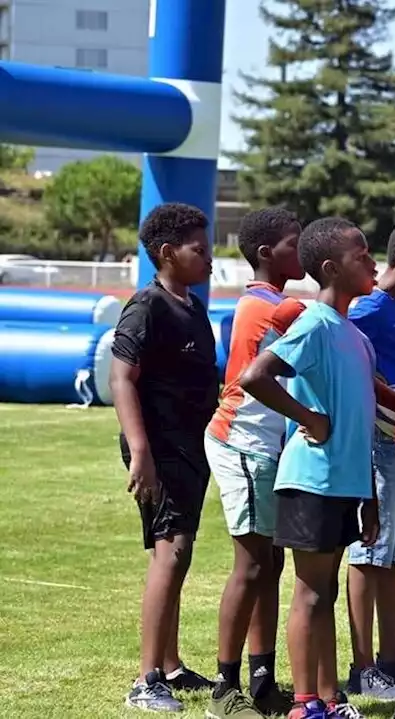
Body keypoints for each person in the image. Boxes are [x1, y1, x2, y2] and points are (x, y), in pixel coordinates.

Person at [240, 216, 395, 719]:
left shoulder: (355, 336)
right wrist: (309, 417)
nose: (373, 262)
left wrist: (370, 500)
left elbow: (362, 425)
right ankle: (305, 704)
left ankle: (330, 698)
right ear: (331, 268)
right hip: (310, 479)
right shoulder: (312, 323)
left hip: (347, 484)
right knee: (311, 594)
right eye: (362, 255)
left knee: (326, 592)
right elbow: (255, 376)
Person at [111, 202, 219, 712]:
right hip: (160, 449)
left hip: (190, 448)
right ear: (167, 252)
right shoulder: (146, 305)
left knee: (178, 552)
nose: (210, 258)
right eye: (200, 250)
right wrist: (141, 452)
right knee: (170, 550)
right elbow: (121, 379)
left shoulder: (193, 307)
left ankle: (171, 665)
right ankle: (145, 679)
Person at [204, 207, 307, 719]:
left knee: (270, 561)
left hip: (263, 446)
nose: (303, 250)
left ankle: (261, 680)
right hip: (242, 444)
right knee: (251, 565)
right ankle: (224, 691)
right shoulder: (275, 309)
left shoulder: (267, 302)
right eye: (295, 242)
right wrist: (311, 416)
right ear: (267, 254)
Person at [343, 219, 395, 700]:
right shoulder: (369, 310)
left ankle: (392, 658)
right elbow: (354, 373)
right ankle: (362, 666)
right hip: (376, 441)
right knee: (367, 552)